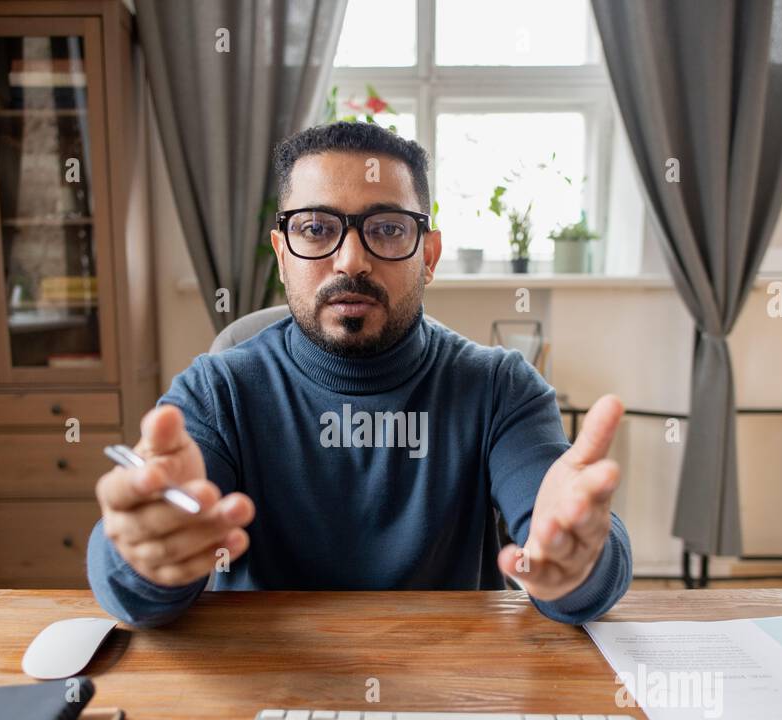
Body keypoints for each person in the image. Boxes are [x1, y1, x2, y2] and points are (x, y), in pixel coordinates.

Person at [88, 121, 632, 627]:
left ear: (430, 254)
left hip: (451, 692)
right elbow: (134, 586)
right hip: (267, 693)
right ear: (282, 255)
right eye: (317, 228)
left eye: (389, 228)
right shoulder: (218, 391)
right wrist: (141, 555)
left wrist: (580, 564)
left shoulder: (499, 389)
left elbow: (565, 545)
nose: (350, 261)